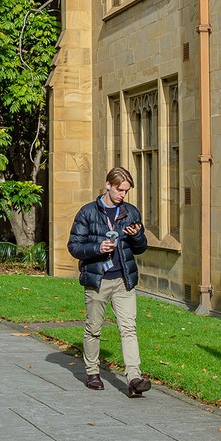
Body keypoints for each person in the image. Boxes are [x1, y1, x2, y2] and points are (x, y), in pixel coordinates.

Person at [67, 166, 150, 396]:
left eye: (126, 191)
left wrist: (137, 236)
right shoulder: (87, 212)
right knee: (94, 328)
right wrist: (97, 247)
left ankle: (134, 378)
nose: (123, 195)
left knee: (129, 329)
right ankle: (92, 372)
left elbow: (141, 248)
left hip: (123, 280)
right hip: (98, 280)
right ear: (108, 185)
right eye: (120, 190)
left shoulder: (130, 212)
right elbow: (74, 246)